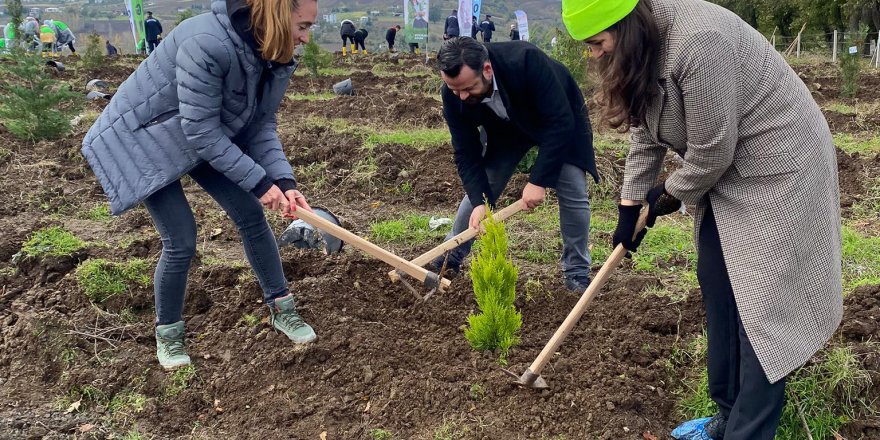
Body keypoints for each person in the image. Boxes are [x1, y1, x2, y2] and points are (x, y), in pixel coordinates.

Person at [560, 0, 842, 438]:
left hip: (781, 167)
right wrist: (630, 205)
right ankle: (727, 413)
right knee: (717, 280)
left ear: (627, 27)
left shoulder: (698, 42)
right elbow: (644, 129)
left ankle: (746, 431)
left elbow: (712, 150)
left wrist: (667, 196)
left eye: (598, 43)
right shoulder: (643, 50)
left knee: (761, 311)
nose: (595, 55)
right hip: (728, 174)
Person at [81, 0, 320, 370]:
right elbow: (201, 133)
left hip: (198, 133)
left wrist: (282, 180)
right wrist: (259, 182)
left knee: (250, 216)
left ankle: (281, 307)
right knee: (181, 239)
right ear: (275, 16)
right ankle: (169, 335)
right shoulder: (206, 41)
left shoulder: (274, 56)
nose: (305, 37)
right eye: (302, 26)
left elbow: (260, 125)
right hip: (142, 139)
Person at [432, 37, 599, 291]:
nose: (462, 96)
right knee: (484, 186)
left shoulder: (526, 60)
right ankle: (449, 256)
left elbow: (560, 123)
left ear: (487, 69)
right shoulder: (454, 95)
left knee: (573, 187)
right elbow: (466, 152)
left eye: (468, 88)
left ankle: (576, 272)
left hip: (558, 119)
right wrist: (480, 201)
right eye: (455, 90)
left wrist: (538, 180)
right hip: (505, 129)